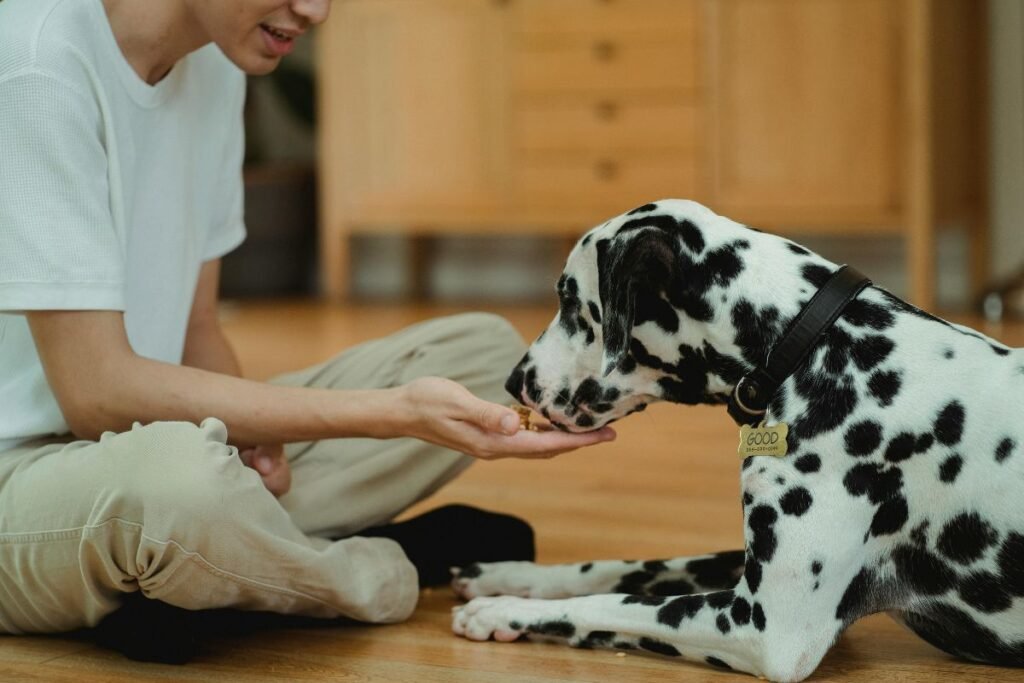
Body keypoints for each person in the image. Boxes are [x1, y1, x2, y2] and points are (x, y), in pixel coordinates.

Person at [0, 0, 617, 646]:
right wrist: (395, 412)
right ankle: (371, 572)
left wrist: (249, 446)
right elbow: (96, 394)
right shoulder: (37, 64)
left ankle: (214, 572)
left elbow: (198, 326)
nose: (315, 10)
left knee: (484, 355)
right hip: (28, 480)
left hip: (145, 443)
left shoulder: (215, 63)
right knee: (180, 487)